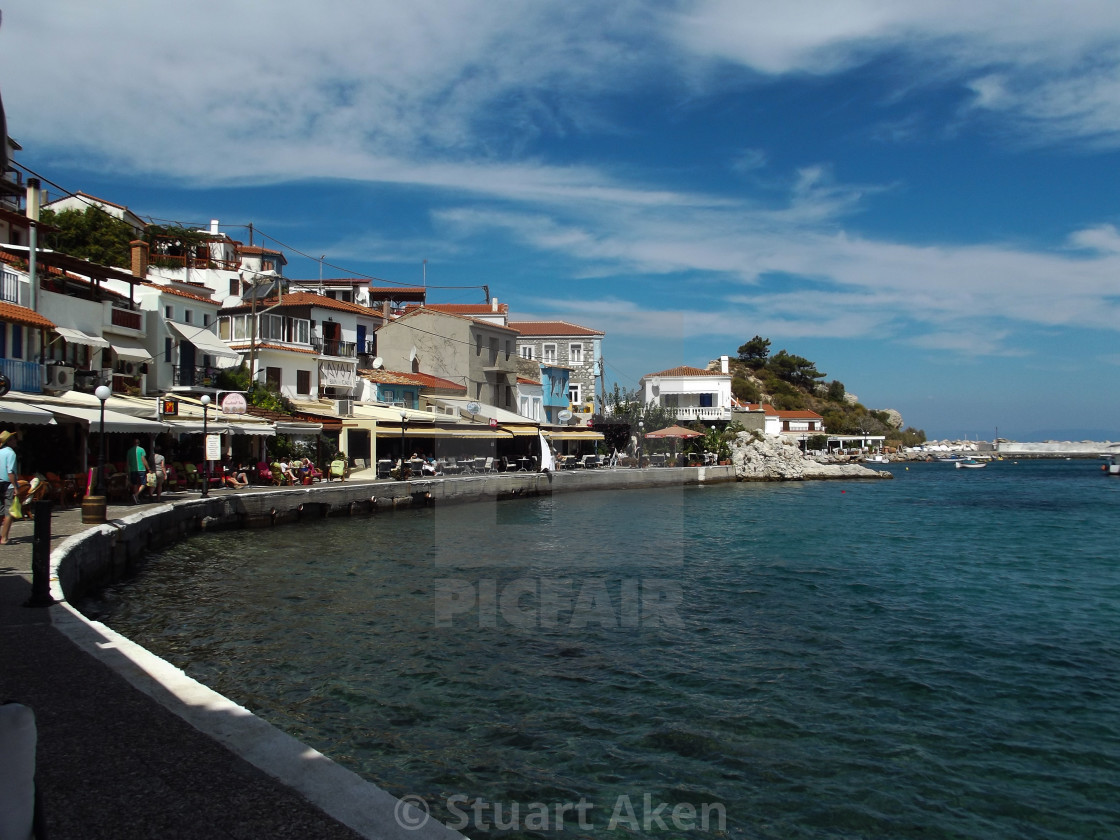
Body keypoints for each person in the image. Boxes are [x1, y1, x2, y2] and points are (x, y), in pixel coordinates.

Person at [0, 430, 17, 545]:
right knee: (9, 512)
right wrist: (16, 487)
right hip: (8, 485)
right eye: (13, 438)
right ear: (9, 441)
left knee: (0, 511)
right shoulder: (11, 453)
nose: (15, 440)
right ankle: (4, 537)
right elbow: (10, 472)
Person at [125, 437, 150, 504]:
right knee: (144, 483)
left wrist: (127, 471)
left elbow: (127, 462)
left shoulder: (129, 451)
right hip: (141, 469)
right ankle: (136, 495)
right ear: (139, 443)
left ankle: (137, 498)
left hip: (132, 469)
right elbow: (143, 459)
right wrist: (148, 468)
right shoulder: (141, 450)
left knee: (135, 484)